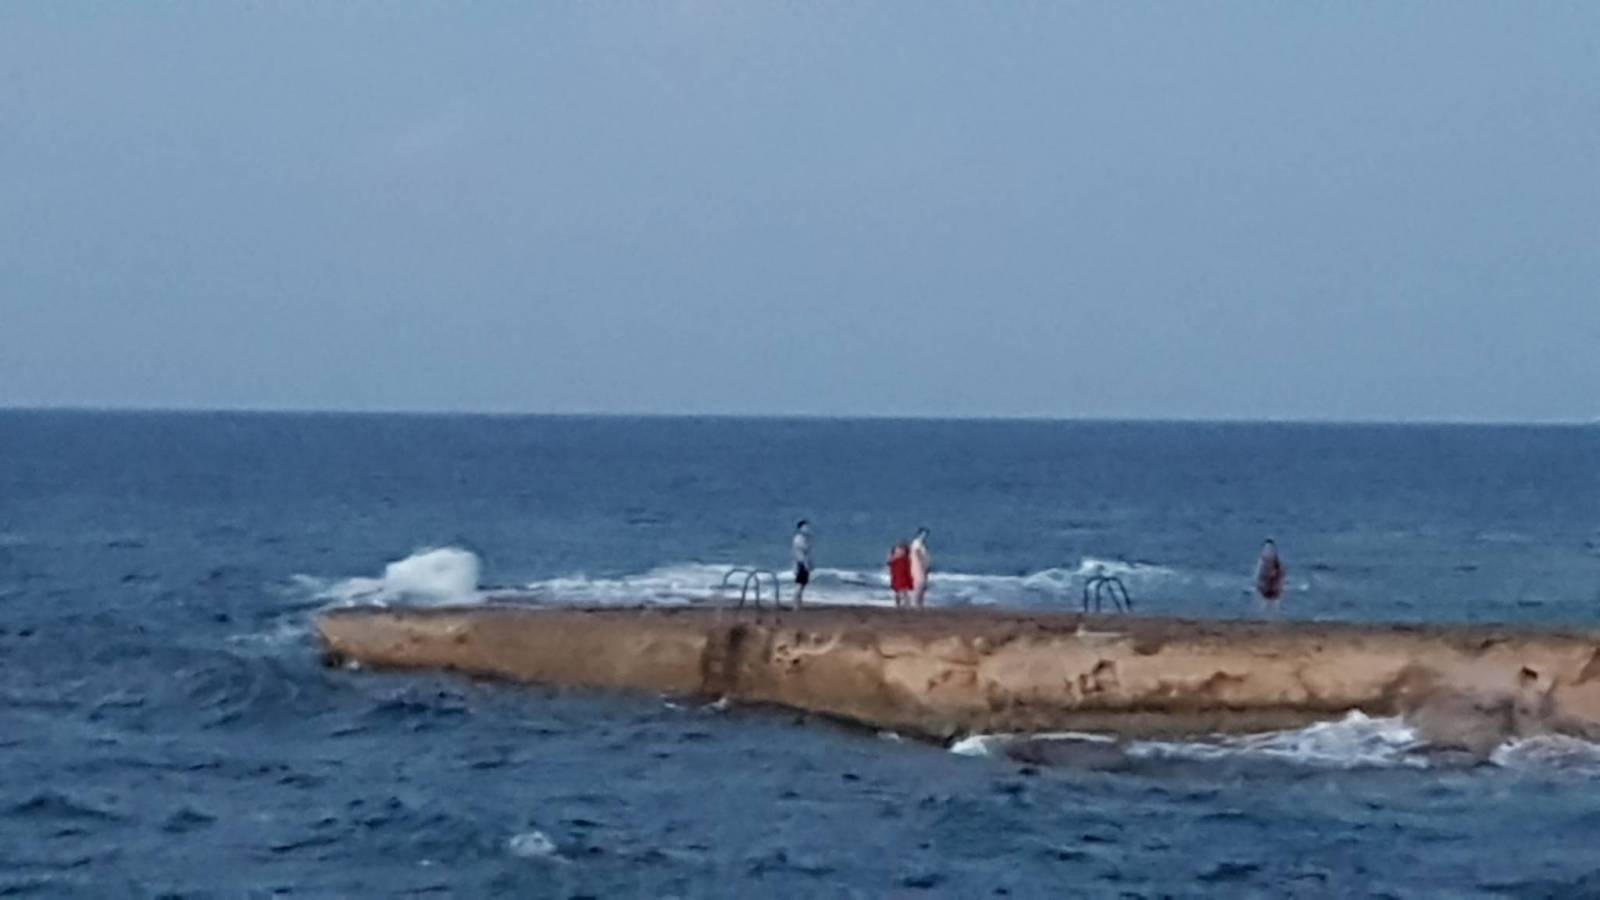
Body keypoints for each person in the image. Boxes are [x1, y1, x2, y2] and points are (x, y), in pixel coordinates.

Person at [791, 520, 813, 607]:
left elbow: (807, 553)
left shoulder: (804, 538)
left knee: (803, 585)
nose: (807, 529)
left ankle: (798, 604)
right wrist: (804, 564)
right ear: (800, 529)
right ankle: (795, 605)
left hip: (803, 563)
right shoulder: (798, 539)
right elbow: (801, 552)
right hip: (801, 564)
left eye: (807, 527)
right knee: (799, 585)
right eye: (805, 527)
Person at [1255, 539, 1285, 603]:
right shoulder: (1263, 562)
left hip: (1273, 591)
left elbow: (1280, 575)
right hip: (1266, 591)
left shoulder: (1276, 563)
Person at [909, 527, 931, 609]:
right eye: (923, 534)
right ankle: (916, 603)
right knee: (919, 583)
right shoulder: (916, 542)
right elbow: (917, 553)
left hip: (923, 566)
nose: (924, 536)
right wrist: (921, 562)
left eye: (926, 534)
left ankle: (920, 603)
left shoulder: (922, 544)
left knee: (923, 584)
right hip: (918, 566)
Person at [887, 542, 913, 608]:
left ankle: (907, 604)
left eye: (901, 550)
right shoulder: (894, 558)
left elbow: (910, 562)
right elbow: (889, 562)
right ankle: (898, 604)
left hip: (904, 576)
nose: (900, 552)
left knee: (904, 591)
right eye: (898, 550)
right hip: (896, 575)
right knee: (897, 591)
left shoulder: (906, 558)